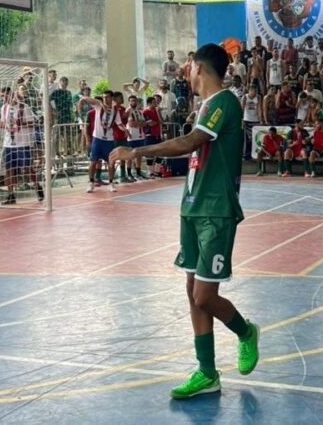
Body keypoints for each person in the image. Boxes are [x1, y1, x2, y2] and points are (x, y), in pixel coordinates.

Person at [110, 43, 259, 400]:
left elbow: (192, 142)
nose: (186, 72)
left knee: (204, 295)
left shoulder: (225, 102)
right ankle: (207, 373)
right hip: (192, 206)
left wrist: (137, 150)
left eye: (189, 66)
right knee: (192, 293)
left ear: (198, 68)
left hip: (216, 210)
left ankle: (245, 331)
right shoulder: (205, 105)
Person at [0, 87, 43, 204]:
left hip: (23, 142)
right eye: (2, 96)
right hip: (8, 143)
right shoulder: (3, 108)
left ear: (12, 95)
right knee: (8, 169)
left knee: (27, 168)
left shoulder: (24, 107)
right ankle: (11, 195)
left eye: (5, 96)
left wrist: (19, 123)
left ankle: (37, 186)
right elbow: (5, 124)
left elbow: (33, 122)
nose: (3, 99)